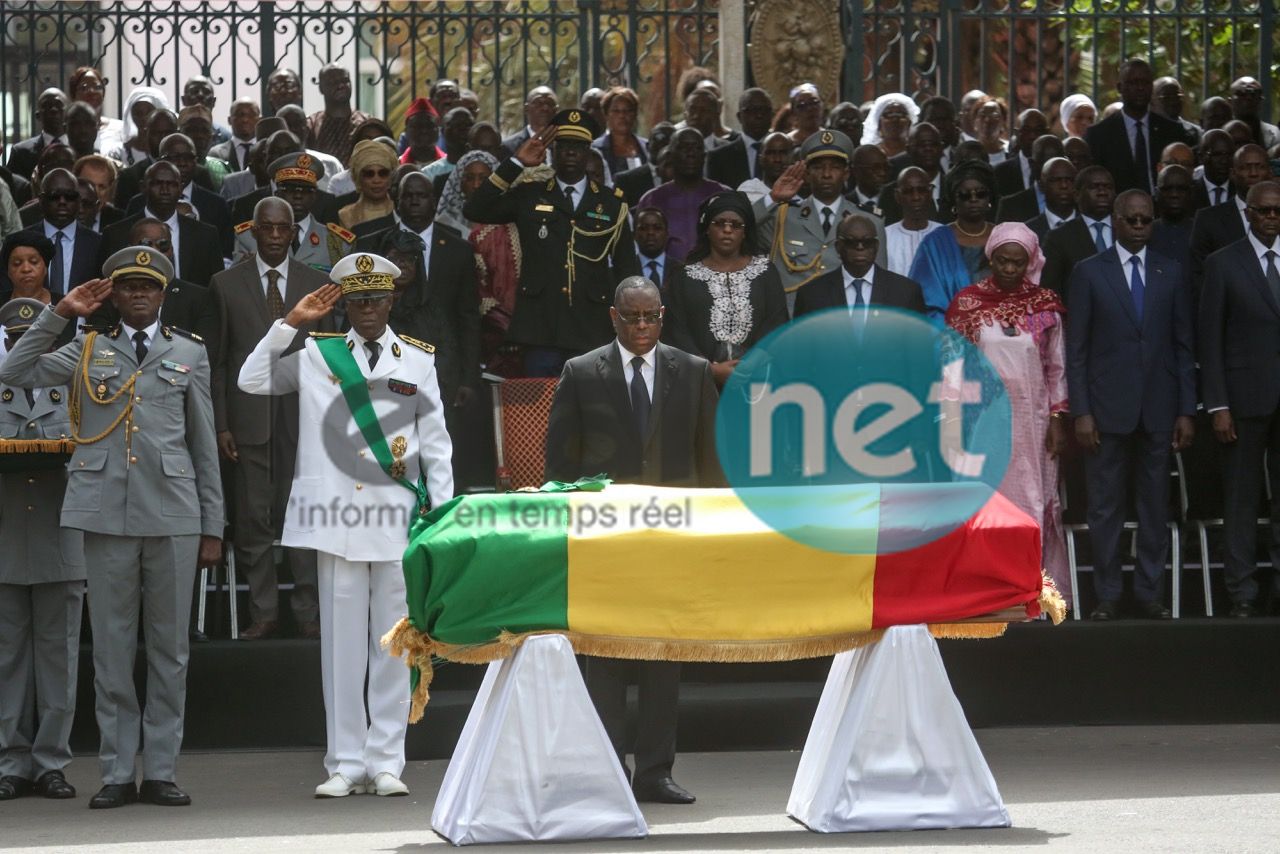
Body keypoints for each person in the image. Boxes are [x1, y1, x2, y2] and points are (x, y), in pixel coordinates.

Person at [0, 248, 223, 808]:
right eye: (129, 287)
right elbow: (13, 371)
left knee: (169, 651)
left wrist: (213, 525)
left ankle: (163, 769)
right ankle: (119, 771)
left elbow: (203, 448)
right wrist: (61, 313)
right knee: (113, 652)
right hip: (103, 514)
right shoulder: (88, 347)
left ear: (164, 292)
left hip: (172, 513)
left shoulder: (188, 352)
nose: (140, 295)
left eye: (150, 286)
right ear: (114, 294)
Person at [237, 252, 453, 797]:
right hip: (336, 518)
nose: (368, 309)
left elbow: (437, 443)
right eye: (357, 300)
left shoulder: (417, 360)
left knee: (394, 642)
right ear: (346, 305)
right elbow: (251, 379)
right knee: (341, 648)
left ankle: (386, 761)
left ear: (392, 300)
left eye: (377, 298)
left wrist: (440, 515)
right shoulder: (317, 353)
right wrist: (291, 322)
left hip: (396, 516)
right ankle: (344, 762)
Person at [545, 276, 719, 805]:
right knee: (608, 658)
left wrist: (711, 531)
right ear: (614, 317)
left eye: (651, 318)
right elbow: (561, 463)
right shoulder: (581, 372)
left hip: (672, 535)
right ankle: (607, 770)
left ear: (662, 316)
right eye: (632, 318)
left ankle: (655, 773)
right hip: (605, 538)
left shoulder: (690, 370)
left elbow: (712, 461)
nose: (642, 327)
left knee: (664, 657)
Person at [1066, 189, 1194, 620]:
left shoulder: (1171, 271)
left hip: (1159, 408)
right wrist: (1081, 411)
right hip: (1105, 410)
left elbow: (1182, 345)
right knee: (1105, 507)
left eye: (1147, 220)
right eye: (1133, 220)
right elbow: (1076, 349)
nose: (1140, 227)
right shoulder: (1088, 272)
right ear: (1116, 221)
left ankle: (1148, 593)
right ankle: (1107, 594)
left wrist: (1186, 410)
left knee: (1154, 505)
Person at [212, 197, 333, 640]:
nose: (278, 236)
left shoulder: (316, 283)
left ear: (295, 233)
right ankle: (263, 611)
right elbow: (220, 361)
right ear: (254, 231)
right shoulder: (225, 284)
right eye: (269, 228)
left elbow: (328, 357)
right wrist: (222, 424)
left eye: (285, 229)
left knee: (303, 514)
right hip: (247, 421)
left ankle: (307, 612)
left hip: (304, 420)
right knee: (253, 519)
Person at [944, 222, 1070, 600]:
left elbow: (1057, 368)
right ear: (991, 258)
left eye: (1019, 262)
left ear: (1030, 261)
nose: (1011, 269)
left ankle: (1029, 591)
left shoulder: (1046, 305)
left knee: (1031, 502)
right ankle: (986, 592)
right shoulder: (967, 303)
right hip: (982, 423)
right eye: (1003, 260)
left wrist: (1058, 418)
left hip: (1032, 424)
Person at [463, 109, 638, 377]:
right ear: (552, 151)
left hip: (592, 328)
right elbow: (476, 209)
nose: (570, 152)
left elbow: (627, 268)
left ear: (589, 151)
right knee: (541, 415)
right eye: (563, 145)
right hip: (541, 329)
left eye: (578, 146)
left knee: (591, 412)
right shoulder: (529, 195)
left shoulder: (612, 203)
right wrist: (516, 163)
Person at [0, 296, 85, 802]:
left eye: (35, 338)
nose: (24, 345)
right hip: (7, 537)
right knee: (8, 658)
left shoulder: (75, 386)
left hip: (60, 537)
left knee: (59, 657)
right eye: (14, 339)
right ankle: (10, 761)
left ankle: (51, 760)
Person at [1198, 180, 1280, 618]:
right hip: (1242, 399)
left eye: (1277, 211)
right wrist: (1217, 405)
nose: (1270, 217)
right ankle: (1242, 592)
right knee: (1242, 500)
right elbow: (1209, 339)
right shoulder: (1223, 263)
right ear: (1248, 212)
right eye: (1263, 211)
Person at [360, 172, 480, 427]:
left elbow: (468, 317)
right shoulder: (371, 245)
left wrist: (468, 378)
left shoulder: (460, 250)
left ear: (434, 201)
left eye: (422, 196)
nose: (415, 201)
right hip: (383, 370)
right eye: (408, 196)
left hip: (443, 372)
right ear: (397, 200)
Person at [756, 130, 888, 310]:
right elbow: (740, 225)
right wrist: (772, 198)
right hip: (793, 321)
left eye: (834, 167)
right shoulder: (783, 216)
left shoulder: (869, 221)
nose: (826, 174)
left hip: (844, 321)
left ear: (846, 173)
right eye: (818, 167)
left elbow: (878, 283)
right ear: (807, 174)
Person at [665, 192, 787, 383]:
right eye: (720, 223)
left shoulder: (765, 272)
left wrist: (752, 364)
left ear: (745, 231)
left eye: (736, 225)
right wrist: (710, 370)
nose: (727, 230)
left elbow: (777, 322)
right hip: (700, 384)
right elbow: (677, 333)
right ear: (707, 229)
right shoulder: (684, 277)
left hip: (757, 380)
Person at [435, 151, 522, 375]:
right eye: (469, 178)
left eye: (484, 178)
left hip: (504, 325)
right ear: (458, 181)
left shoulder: (509, 224)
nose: (476, 185)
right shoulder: (444, 224)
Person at [100, 161, 224, 289]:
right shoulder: (115, 234)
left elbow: (217, 286)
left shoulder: (206, 235)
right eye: (157, 184)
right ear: (143, 187)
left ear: (181, 188)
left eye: (172, 184)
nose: (165, 190)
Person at [233, 152, 354, 273]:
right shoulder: (249, 236)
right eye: (290, 189)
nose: (298, 195)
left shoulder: (336, 243)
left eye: (306, 191)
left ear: (315, 196)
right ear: (277, 193)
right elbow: (236, 281)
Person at [909, 159, 999, 321]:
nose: (973, 199)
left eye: (980, 194)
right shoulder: (934, 244)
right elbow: (922, 301)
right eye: (964, 195)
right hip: (948, 337)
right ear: (953, 201)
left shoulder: (1004, 237)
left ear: (989, 198)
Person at [1086, 58, 1190, 194]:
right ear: (1119, 87)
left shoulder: (1172, 131)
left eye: (1145, 83)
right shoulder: (1099, 134)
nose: (1140, 88)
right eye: (1133, 83)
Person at [794, 211, 926, 316]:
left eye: (867, 242)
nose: (860, 247)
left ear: (876, 246)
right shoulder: (811, 295)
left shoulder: (906, 292)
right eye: (851, 242)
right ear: (838, 246)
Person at [637, 128, 729, 261]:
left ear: (704, 155)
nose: (690, 153)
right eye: (683, 148)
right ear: (671, 155)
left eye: (696, 148)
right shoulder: (652, 199)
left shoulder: (724, 195)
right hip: (668, 278)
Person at [1189, 143, 1271, 289]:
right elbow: (1199, 278)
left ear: (1269, 172)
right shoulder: (1208, 220)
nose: (1253, 173)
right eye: (1245, 167)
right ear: (1232, 173)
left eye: (1260, 167)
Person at [19, 168, 102, 298]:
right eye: (54, 196)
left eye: (70, 197)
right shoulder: (21, 241)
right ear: (41, 200)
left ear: (79, 200)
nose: (62, 202)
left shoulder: (99, 243)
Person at [1040, 165, 1117, 296]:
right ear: (1076, 195)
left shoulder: (1128, 228)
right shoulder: (1058, 238)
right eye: (1094, 187)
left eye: (1107, 187)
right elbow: (1051, 291)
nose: (1102, 192)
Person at [878, 122, 947, 223]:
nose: (928, 149)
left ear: (941, 148)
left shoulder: (953, 188)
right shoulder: (890, 193)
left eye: (933, 144)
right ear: (909, 149)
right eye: (922, 145)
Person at [706, 88, 774, 189]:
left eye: (764, 110)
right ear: (739, 117)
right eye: (752, 110)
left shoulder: (785, 152)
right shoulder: (719, 157)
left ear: (772, 115)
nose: (759, 115)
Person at [884, 167, 944, 276]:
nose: (916, 197)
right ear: (897, 196)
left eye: (921, 190)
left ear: (930, 193)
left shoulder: (944, 234)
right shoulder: (885, 236)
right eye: (908, 191)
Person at [307, 64, 371, 166]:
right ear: (321, 88)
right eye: (333, 82)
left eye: (345, 81)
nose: (340, 86)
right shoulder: (312, 124)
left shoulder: (366, 122)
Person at [996, 134, 1065, 223]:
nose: (1052, 170)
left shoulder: (1078, 204)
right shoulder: (1011, 206)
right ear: (1032, 164)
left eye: (1057, 163)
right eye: (1046, 163)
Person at [5, 89, 68, 182]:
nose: (54, 110)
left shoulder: (80, 148)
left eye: (59, 105)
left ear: (68, 113)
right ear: (38, 115)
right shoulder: (20, 153)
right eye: (47, 106)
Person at [338, 140, 398, 229]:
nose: (376, 180)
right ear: (358, 177)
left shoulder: (401, 211)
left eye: (383, 173)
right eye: (369, 174)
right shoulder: (346, 215)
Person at [105, 87, 169, 169]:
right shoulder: (119, 152)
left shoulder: (171, 151)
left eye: (148, 112)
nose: (143, 118)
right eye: (138, 113)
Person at [614, 122, 674, 207]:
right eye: (658, 141)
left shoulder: (689, 179)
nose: (663, 148)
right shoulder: (625, 181)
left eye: (668, 143)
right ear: (647, 146)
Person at [994, 110, 1050, 199]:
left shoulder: (1057, 170)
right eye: (1026, 130)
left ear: (1047, 133)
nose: (1032, 136)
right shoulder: (1000, 172)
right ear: (1016, 133)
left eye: (1038, 130)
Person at [593, 87, 648, 176]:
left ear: (635, 114)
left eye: (628, 111)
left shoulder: (647, 147)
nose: (622, 115)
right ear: (606, 115)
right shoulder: (595, 149)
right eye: (616, 111)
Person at [1150, 164, 1196, 271]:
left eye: (1181, 189)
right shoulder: (1145, 233)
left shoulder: (1203, 232)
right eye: (1167, 189)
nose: (1174, 194)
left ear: (1191, 193)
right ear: (1156, 193)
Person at [67, 67, 120, 154]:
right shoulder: (67, 131)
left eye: (97, 87)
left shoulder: (119, 129)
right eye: (84, 88)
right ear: (73, 95)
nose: (91, 92)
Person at [1024, 156, 1079, 239]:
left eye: (1070, 180)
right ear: (1042, 186)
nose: (1064, 185)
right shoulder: (1027, 231)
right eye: (1055, 180)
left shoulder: (1091, 226)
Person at [633, 207, 684, 292]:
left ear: (667, 234)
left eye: (657, 228)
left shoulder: (681, 271)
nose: (650, 233)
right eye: (643, 228)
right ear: (634, 235)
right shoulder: (623, 270)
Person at [736, 132, 794, 205]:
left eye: (783, 153)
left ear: (792, 157)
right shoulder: (748, 190)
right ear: (760, 159)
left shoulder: (802, 192)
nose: (777, 159)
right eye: (771, 153)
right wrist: (773, 198)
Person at [502, 86, 558, 156]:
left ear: (556, 110)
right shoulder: (509, 146)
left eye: (550, 104)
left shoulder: (562, 143)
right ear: (526, 108)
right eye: (539, 103)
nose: (545, 108)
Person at [208, 98, 261, 173]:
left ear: (259, 119)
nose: (245, 120)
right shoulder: (215, 154)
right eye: (240, 115)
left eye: (251, 115)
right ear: (229, 120)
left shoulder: (268, 151)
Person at [860, 93, 916, 158]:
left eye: (901, 114)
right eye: (889, 114)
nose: (895, 119)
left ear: (909, 123)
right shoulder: (869, 154)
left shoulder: (917, 153)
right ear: (878, 125)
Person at [1152, 77, 1203, 149]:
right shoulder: (1147, 132)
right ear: (1152, 101)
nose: (1173, 101)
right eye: (1166, 97)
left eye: (1177, 96)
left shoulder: (1195, 132)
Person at [399, 98, 445, 168]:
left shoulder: (450, 166)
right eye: (418, 126)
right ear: (406, 131)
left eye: (429, 126)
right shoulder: (397, 166)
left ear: (438, 131)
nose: (424, 131)